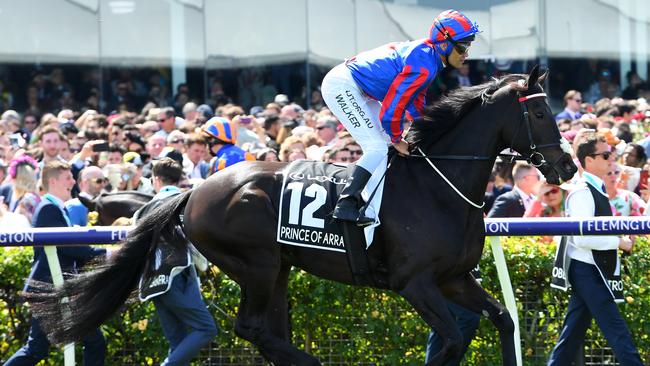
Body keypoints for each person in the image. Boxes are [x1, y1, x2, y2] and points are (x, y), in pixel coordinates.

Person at [321, 9, 479, 225]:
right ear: (444, 43)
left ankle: (369, 202)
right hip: (343, 85)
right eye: (462, 47)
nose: (466, 54)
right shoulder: (424, 63)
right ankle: (345, 205)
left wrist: (424, 125)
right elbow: (391, 109)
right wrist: (397, 139)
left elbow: (416, 98)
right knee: (377, 146)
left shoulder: (429, 57)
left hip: (359, 87)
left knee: (383, 146)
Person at [548, 132, 643, 365]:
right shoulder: (582, 191)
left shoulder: (591, 189)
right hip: (587, 270)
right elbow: (582, 239)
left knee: (571, 337)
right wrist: (618, 242)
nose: (611, 159)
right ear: (589, 160)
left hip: (590, 269)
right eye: (605, 155)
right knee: (617, 331)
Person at [5, 160, 108, 366]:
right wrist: (105, 253)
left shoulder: (56, 208)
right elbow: (69, 247)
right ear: (53, 181)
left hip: (56, 289)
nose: (73, 182)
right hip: (50, 290)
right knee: (38, 350)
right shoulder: (49, 209)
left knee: (91, 342)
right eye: (68, 178)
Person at [135, 157, 218, 365]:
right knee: (206, 328)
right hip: (178, 277)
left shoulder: (142, 210)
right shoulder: (188, 202)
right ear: (179, 179)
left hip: (151, 282)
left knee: (178, 342)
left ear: (155, 180)